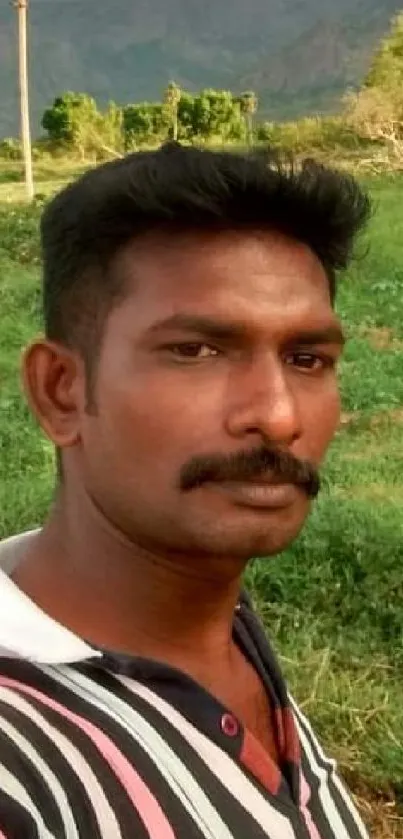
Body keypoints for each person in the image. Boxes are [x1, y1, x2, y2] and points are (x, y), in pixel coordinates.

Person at [0, 144, 371, 839]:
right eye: (196, 351)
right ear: (61, 390)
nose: (277, 414)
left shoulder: (221, 624)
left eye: (305, 359)